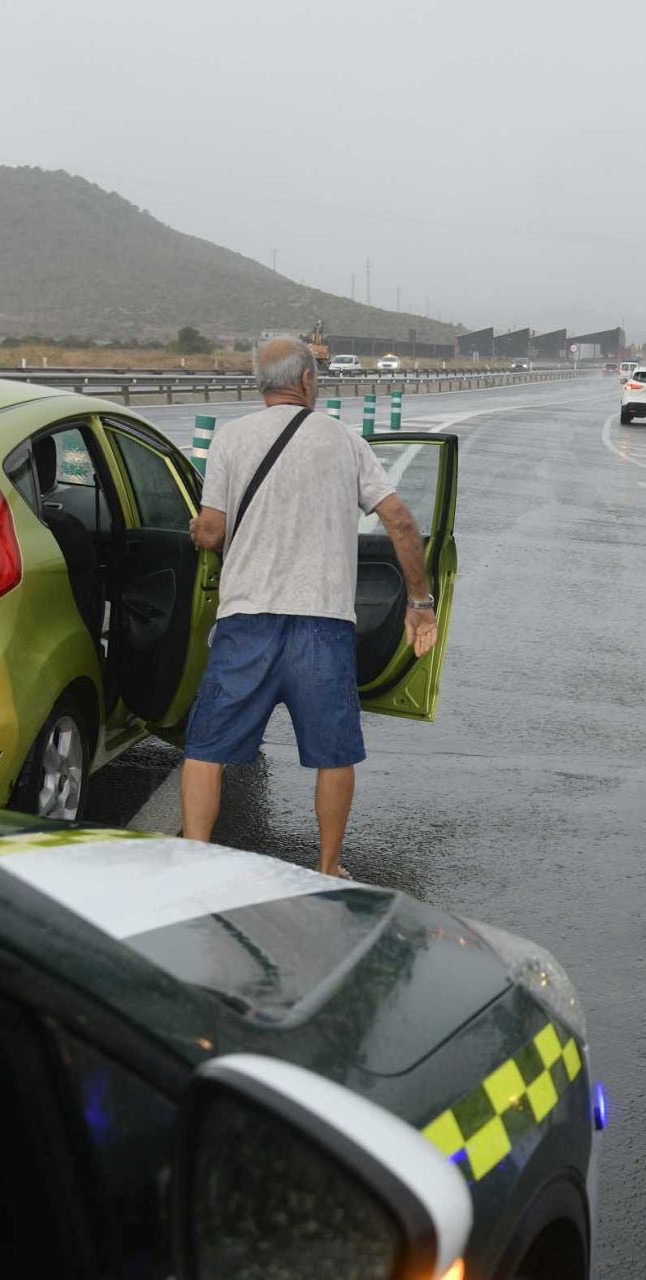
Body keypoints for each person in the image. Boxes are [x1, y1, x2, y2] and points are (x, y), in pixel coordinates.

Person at [181, 337, 439, 878]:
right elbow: (401, 522)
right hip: (322, 625)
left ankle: (194, 857)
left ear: (262, 383)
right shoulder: (345, 441)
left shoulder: (231, 439)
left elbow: (210, 530)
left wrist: (199, 533)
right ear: (304, 381)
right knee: (333, 752)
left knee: (207, 746)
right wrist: (419, 600)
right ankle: (328, 865)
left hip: (247, 620)